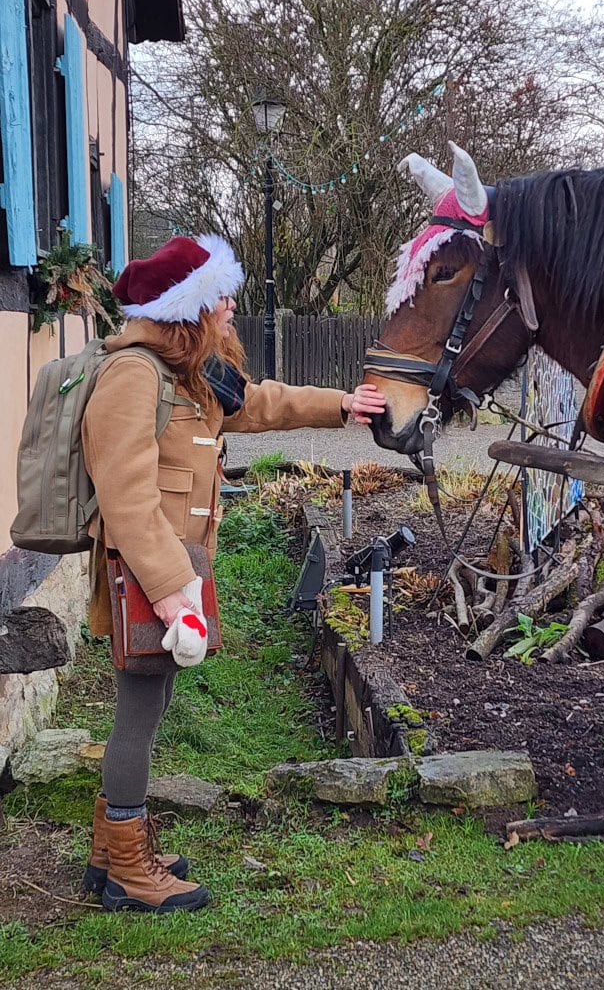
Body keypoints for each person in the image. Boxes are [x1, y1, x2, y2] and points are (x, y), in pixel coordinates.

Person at [80, 234, 386, 913]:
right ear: (186, 307)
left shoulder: (188, 372)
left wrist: (344, 405)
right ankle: (129, 869)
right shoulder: (134, 374)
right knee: (136, 713)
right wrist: (169, 595)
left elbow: (262, 402)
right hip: (148, 574)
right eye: (219, 297)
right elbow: (125, 498)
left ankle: (111, 856)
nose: (231, 307)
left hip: (175, 571)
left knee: (150, 706)